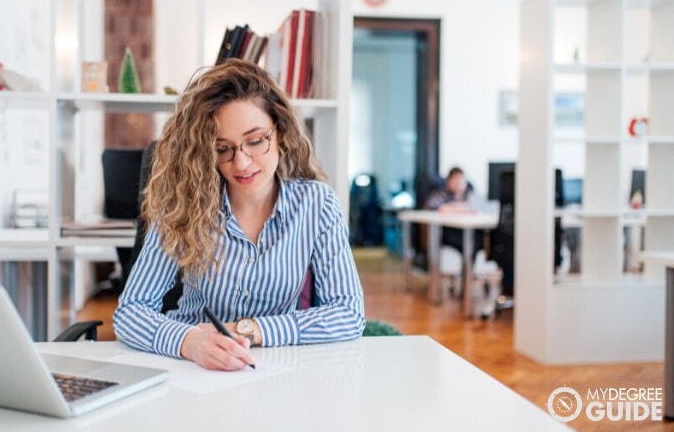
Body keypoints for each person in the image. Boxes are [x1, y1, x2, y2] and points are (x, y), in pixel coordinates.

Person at [113, 58, 365, 371]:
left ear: (280, 132)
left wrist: (250, 329)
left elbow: (348, 312)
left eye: (256, 141)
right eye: (223, 148)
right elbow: (130, 312)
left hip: (276, 368)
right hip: (193, 370)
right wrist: (189, 342)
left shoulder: (317, 205)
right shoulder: (183, 203)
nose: (242, 163)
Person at [423, 166, 483, 255]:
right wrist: (457, 207)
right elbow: (432, 207)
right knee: (467, 242)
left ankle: (467, 267)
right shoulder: (441, 194)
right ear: (449, 181)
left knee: (480, 239)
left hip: (468, 229)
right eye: (456, 181)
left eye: (462, 181)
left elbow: (477, 209)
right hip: (449, 231)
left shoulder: (470, 194)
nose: (459, 184)